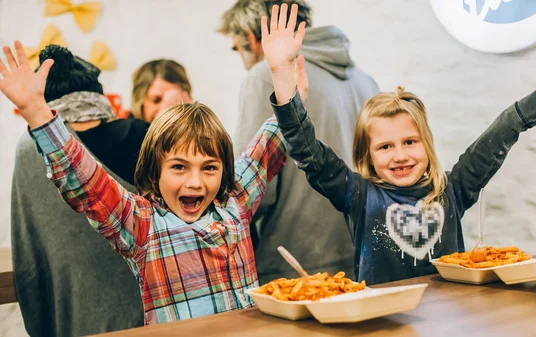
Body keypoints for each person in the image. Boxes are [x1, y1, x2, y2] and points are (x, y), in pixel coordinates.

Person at [262, 5, 536, 285]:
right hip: (385, 324)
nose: (400, 155)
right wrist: (280, 73)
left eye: (410, 141)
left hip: (454, 322)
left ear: (427, 144)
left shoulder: (452, 190)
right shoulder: (359, 196)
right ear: (367, 155)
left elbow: (505, 127)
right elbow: (307, 151)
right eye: (385, 147)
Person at [1, 40, 306, 325]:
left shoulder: (234, 201)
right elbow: (87, 182)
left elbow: (268, 143)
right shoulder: (142, 224)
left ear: (223, 170)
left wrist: (283, 78)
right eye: (179, 167)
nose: (196, 182)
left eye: (209, 167)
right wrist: (36, 111)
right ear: (154, 171)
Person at [218, 0, 379, 283]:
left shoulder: (264, 75)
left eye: (236, 48)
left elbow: (251, 189)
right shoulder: (365, 81)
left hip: (293, 263)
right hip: (361, 255)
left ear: (254, 38)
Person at [11, 45, 145, 337]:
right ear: (98, 94)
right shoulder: (144, 135)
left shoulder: (31, 149)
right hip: (161, 318)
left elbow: (28, 254)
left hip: (73, 320)